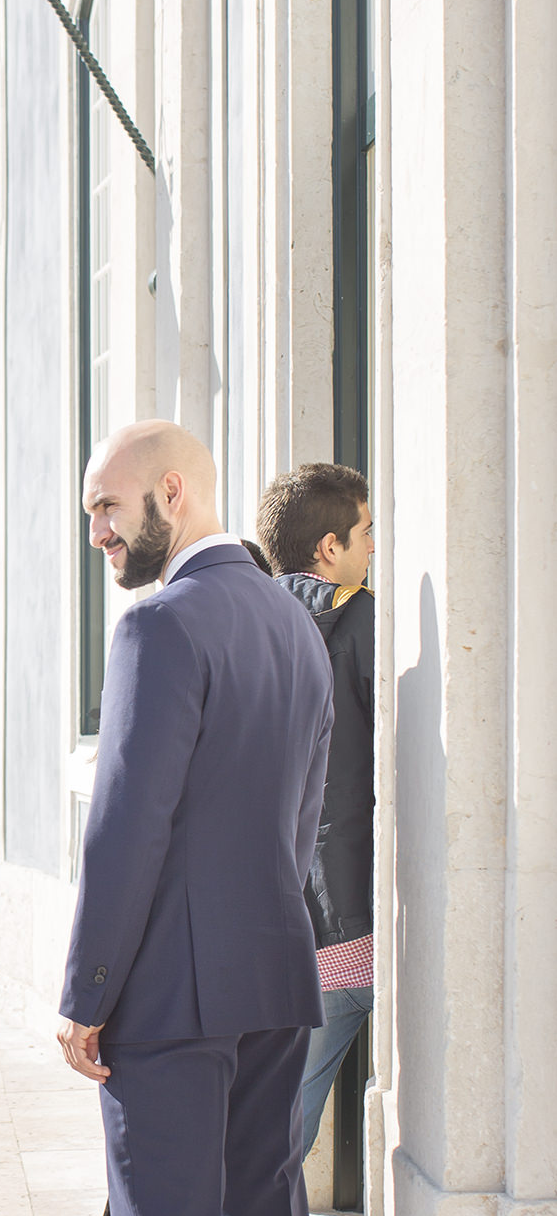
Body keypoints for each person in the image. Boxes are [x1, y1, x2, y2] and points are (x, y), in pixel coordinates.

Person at [47, 421, 332, 1216]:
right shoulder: (293, 621)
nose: (100, 532)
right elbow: (303, 814)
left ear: (173, 488)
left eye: (109, 506)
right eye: (89, 517)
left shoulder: (160, 624)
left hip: (171, 991)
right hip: (276, 969)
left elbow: (129, 825)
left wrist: (87, 990)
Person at [256, 464, 375, 1151]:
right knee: (277, 1136)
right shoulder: (360, 620)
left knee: (271, 1111)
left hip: (277, 921)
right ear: (328, 548)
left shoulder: (248, 625)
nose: (371, 548)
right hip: (356, 923)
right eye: (364, 532)